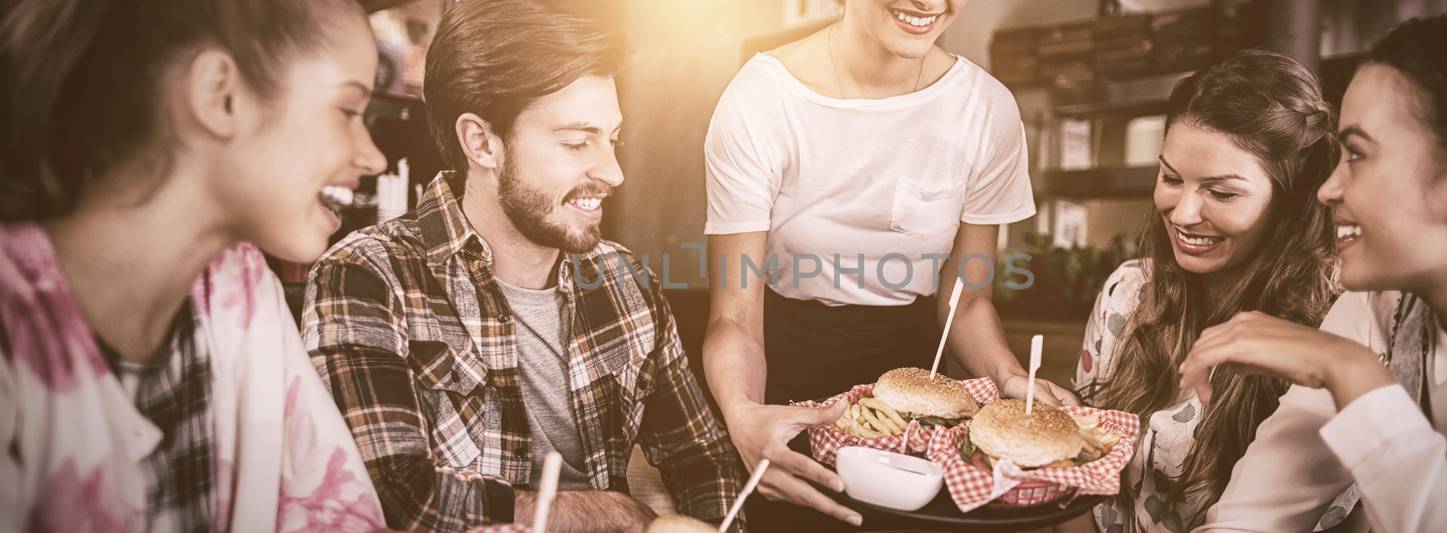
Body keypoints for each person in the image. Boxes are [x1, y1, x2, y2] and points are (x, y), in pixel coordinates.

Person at [301, 1, 745, 532]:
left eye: (612, 138)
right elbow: (398, 495)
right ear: (482, 142)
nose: (613, 171)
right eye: (577, 142)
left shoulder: (627, 282)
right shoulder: (366, 276)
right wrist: (616, 515)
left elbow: (702, 460)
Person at [1184, 7, 1447, 532]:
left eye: (1356, 155)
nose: (1326, 190)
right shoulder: (1375, 307)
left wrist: (1353, 375)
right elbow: (1252, 520)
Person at [0, 0, 388, 531]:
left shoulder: (240, 290)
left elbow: (337, 512)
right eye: (346, 111)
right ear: (220, 96)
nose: (375, 158)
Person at [700, 0, 1073, 528]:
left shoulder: (986, 109)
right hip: (783, 376)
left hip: (919, 394)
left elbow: (967, 302)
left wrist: (1009, 376)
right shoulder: (762, 100)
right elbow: (734, 316)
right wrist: (743, 415)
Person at [1074, 49, 1341, 532]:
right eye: (1171, 179)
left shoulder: (1332, 327)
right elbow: (1078, 485)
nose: (1181, 213)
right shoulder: (1129, 294)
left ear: (1289, 200)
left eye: (1221, 193)